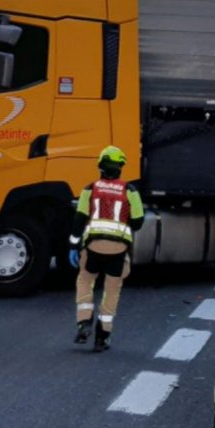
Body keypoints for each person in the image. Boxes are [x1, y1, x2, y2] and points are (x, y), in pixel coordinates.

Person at [69, 146, 145, 352]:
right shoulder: (130, 191)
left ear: (99, 166)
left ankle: (84, 322)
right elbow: (138, 222)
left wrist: (74, 244)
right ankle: (103, 336)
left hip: (93, 246)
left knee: (85, 280)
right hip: (118, 249)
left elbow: (79, 218)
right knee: (112, 289)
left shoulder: (90, 189)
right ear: (121, 167)